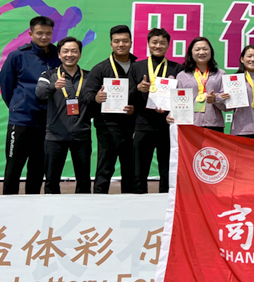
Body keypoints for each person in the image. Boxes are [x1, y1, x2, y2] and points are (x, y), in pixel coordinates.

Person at [0, 0, 94, 134]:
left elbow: (67, 54)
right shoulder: (52, 16)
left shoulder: (59, 42)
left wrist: (85, 41)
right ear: (66, 14)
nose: (44, 36)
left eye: (75, 21)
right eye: (71, 17)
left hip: (44, 106)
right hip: (21, 58)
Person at [0, 16, 62, 194]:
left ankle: (32, 205)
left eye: (48, 33)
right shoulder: (17, 56)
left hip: (47, 122)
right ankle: (8, 206)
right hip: (21, 121)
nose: (44, 37)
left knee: (38, 168)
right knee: (13, 167)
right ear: (30, 33)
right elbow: (6, 85)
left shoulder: (58, 56)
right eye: (39, 33)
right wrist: (17, 106)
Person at [81, 25, 137, 194]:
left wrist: (135, 108)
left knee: (131, 170)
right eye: (117, 41)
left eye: (125, 41)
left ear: (131, 42)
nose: (121, 44)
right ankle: (99, 202)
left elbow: (145, 97)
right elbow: (86, 96)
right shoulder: (100, 68)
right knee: (105, 169)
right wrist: (96, 98)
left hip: (133, 127)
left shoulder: (139, 67)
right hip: (107, 127)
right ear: (111, 44)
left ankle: (131, 203)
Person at [35, 37, 92, 194]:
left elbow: (95, 100)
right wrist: (54, 87)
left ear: (80, 54)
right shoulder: (48, 75)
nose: (70, 55)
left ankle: (85, 208)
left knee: (84, 181)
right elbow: (40, 93)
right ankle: (52, 208)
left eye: (74, 51)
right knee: (51, 181)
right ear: (59, 55)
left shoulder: (89, 77)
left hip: (82, 135)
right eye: (65, 51)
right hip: (55, 136)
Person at [130, 28, 183, 194]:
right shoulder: (137, 67)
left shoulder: (177, 68)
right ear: (148, 44)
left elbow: (181, 97)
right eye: (154, 42)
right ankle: (138, 199)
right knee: (139, 168)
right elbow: (127, 96)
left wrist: (170, 109)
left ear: (168, 45)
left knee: (167, 168)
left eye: (162, 43)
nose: (158, 46)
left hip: (166, 125)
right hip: (142, 124)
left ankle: (166, 200)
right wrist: (138, 89)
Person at [167, 37, 228, 132]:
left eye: (205, 49)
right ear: (191, 53)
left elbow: (227, 106)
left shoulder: (220, 74)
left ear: (211, 51)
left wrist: (215, 99)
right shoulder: (182, 76)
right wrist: (171, 114)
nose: (201, 52)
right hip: (190, 125)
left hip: (214, 125)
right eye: (197, 49)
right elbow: (177, 101)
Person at [230, 45, 254, 140]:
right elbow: (227, 107)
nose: (253, 59)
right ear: (242, 59)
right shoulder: (234, 80)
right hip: (240, 130)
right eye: (249, 56)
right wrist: (223, 98)